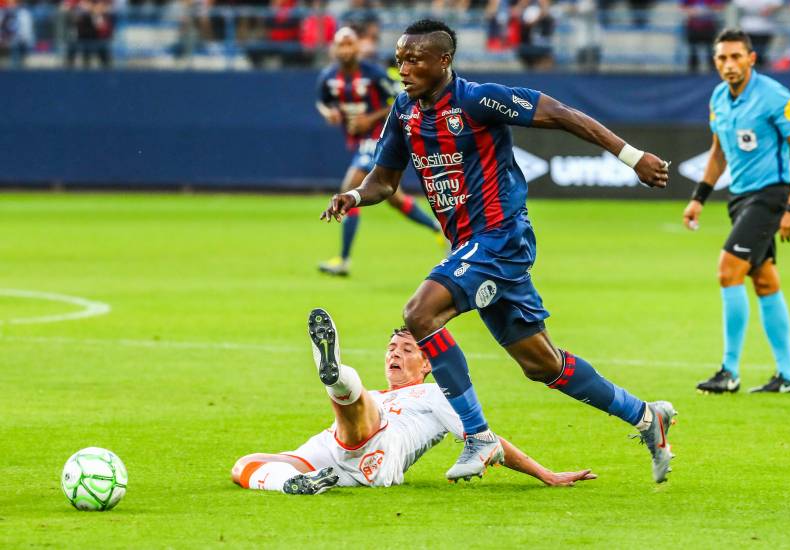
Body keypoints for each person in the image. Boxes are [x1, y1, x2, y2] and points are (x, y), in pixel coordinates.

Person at [321, 19, 677, 483]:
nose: (403, 68)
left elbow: (564, 114)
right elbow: (384, 181)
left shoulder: (477, 99)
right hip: (471, 246)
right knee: (541, 363)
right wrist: (354, 197)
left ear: (443, 61)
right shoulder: (405, 112)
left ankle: (478, 436)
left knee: (420, 313)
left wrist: (632, 157)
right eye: (400, 58)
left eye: (414, 59)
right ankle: (647, 417)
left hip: (500, 237)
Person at [232, 309, 598, 493]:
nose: (395, 353)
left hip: (379, 449)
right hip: (333, 453)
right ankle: (294, 485)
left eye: (407, 349)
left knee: (358, 407)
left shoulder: (437, 393)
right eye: (391, 348)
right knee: (245, 464)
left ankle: (337, 376)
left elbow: (487, 440)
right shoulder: (378, 394)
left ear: (427, 364)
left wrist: (545, 475)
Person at [683, 28, 790, 394]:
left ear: (751, 58)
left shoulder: (774, 96)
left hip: (770, 195)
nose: (729, 64)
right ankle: (788, 377)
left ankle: (729, 370)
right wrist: (699, 197)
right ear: (715, 62)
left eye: (736, 56)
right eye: (722, 58)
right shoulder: (718, 99)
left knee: (728, 271)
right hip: (739, 199)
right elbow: (718, 152)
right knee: (765, 281)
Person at [316, 26, 442, 277]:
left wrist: (369, 119)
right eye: (341, 45)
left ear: (358, 47)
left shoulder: (374, 73)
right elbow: (322, 101)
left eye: (350, 43)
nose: (346, 49)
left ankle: (343, 260)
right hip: (360, 140)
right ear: (334, 49)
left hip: (381, 136)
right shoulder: (328, 77)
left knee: (351, 185)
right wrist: (328, 113)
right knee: (394, 198)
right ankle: (438, 227)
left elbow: (401, 100)